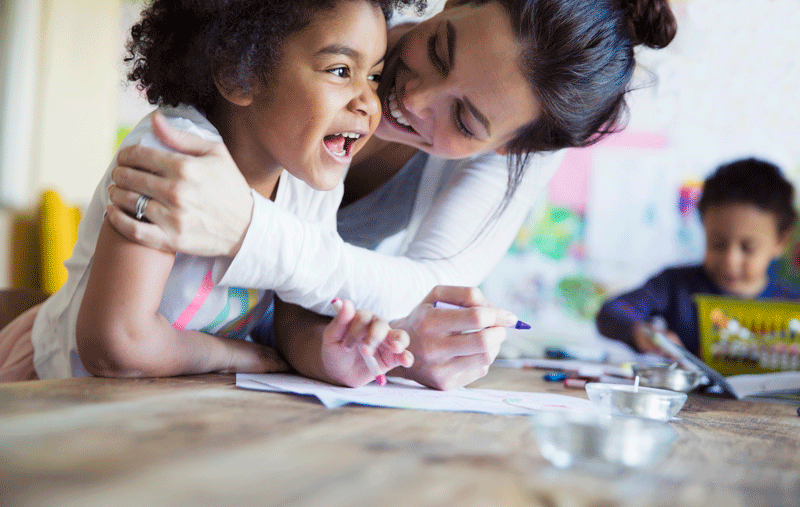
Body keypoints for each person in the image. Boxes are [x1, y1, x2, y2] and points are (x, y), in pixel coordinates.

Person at [104, 0, 678, 389]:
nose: (415, 98)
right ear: (451, 2)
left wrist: (253, 235)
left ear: (507, 149)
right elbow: (112, 334)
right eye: (439, 50)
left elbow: (415, 290)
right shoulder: (328, 22)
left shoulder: (315, 178)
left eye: (467, 120)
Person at [0, 0, 429, 384]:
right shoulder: (173, 153)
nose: (369, 103)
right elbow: (117, 344)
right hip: (52, 391)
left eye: (373, 76)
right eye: (340, 71)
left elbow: (292, 321)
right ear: (238, 74)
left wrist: (331, 354)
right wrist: (238, 356)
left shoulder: (309, 180)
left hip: (164, 407)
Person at [596, 157, 800, 357]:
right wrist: (640, 332)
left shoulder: (793, 308)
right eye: (717, 244)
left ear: (780, 242)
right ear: (704, 226)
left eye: (748, 248)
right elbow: (612, 313)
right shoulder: (675, 286)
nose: (730, 259)